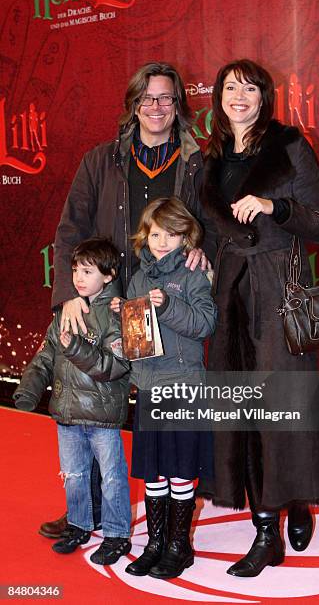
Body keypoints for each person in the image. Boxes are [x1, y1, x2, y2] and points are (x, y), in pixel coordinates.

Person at [41, 61, 209, 539]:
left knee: (163, 411)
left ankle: (169, 531)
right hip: (113, 305)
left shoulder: (197, 161)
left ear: (178, 106)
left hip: (163, 303)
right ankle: (84, 513)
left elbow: (212, 227)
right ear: (133, 105)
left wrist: (202, 255)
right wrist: (69, 297)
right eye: (147, 98)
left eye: (166, 98)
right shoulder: (100, 160)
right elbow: (70, 230)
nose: (156, 107)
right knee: (98, 406)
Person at [197, 59, 319, 577]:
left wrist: (274, 206)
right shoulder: (207, 159)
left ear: (264, 98)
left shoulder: (289, 147)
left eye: (249, 89)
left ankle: (292, 499)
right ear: (218, 97)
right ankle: (264, 529)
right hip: (230, 295)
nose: (239, 96)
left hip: (279, 290)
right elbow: (209, 230)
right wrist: (200, 253)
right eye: (230, 87)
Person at [112, 197, 216, 579]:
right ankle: (155, 543)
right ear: (145, 235)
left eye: (171, 234)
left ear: (185, 236)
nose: (162, 241)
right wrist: (122, 333)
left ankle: (178, 546)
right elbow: (138, 338)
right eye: (156, 233)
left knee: (180, 471)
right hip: (148, 388)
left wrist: (168, 304)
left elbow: (205, 324)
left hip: (184, 388)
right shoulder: (138, 276)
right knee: (154, 473)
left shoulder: (192, 275)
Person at [13, 238, 131, 565]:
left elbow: (116, 366)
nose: (78, 278)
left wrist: (77, 348)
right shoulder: (66, 310)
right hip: (66, 415)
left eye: (88, 271)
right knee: (74, 475)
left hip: (101, 418)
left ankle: (117, 534)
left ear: (108, 275)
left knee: (112, 478)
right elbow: (44, 358)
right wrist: (28, 390)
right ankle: (79, 525)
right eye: (76, 270)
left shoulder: (116, 313)